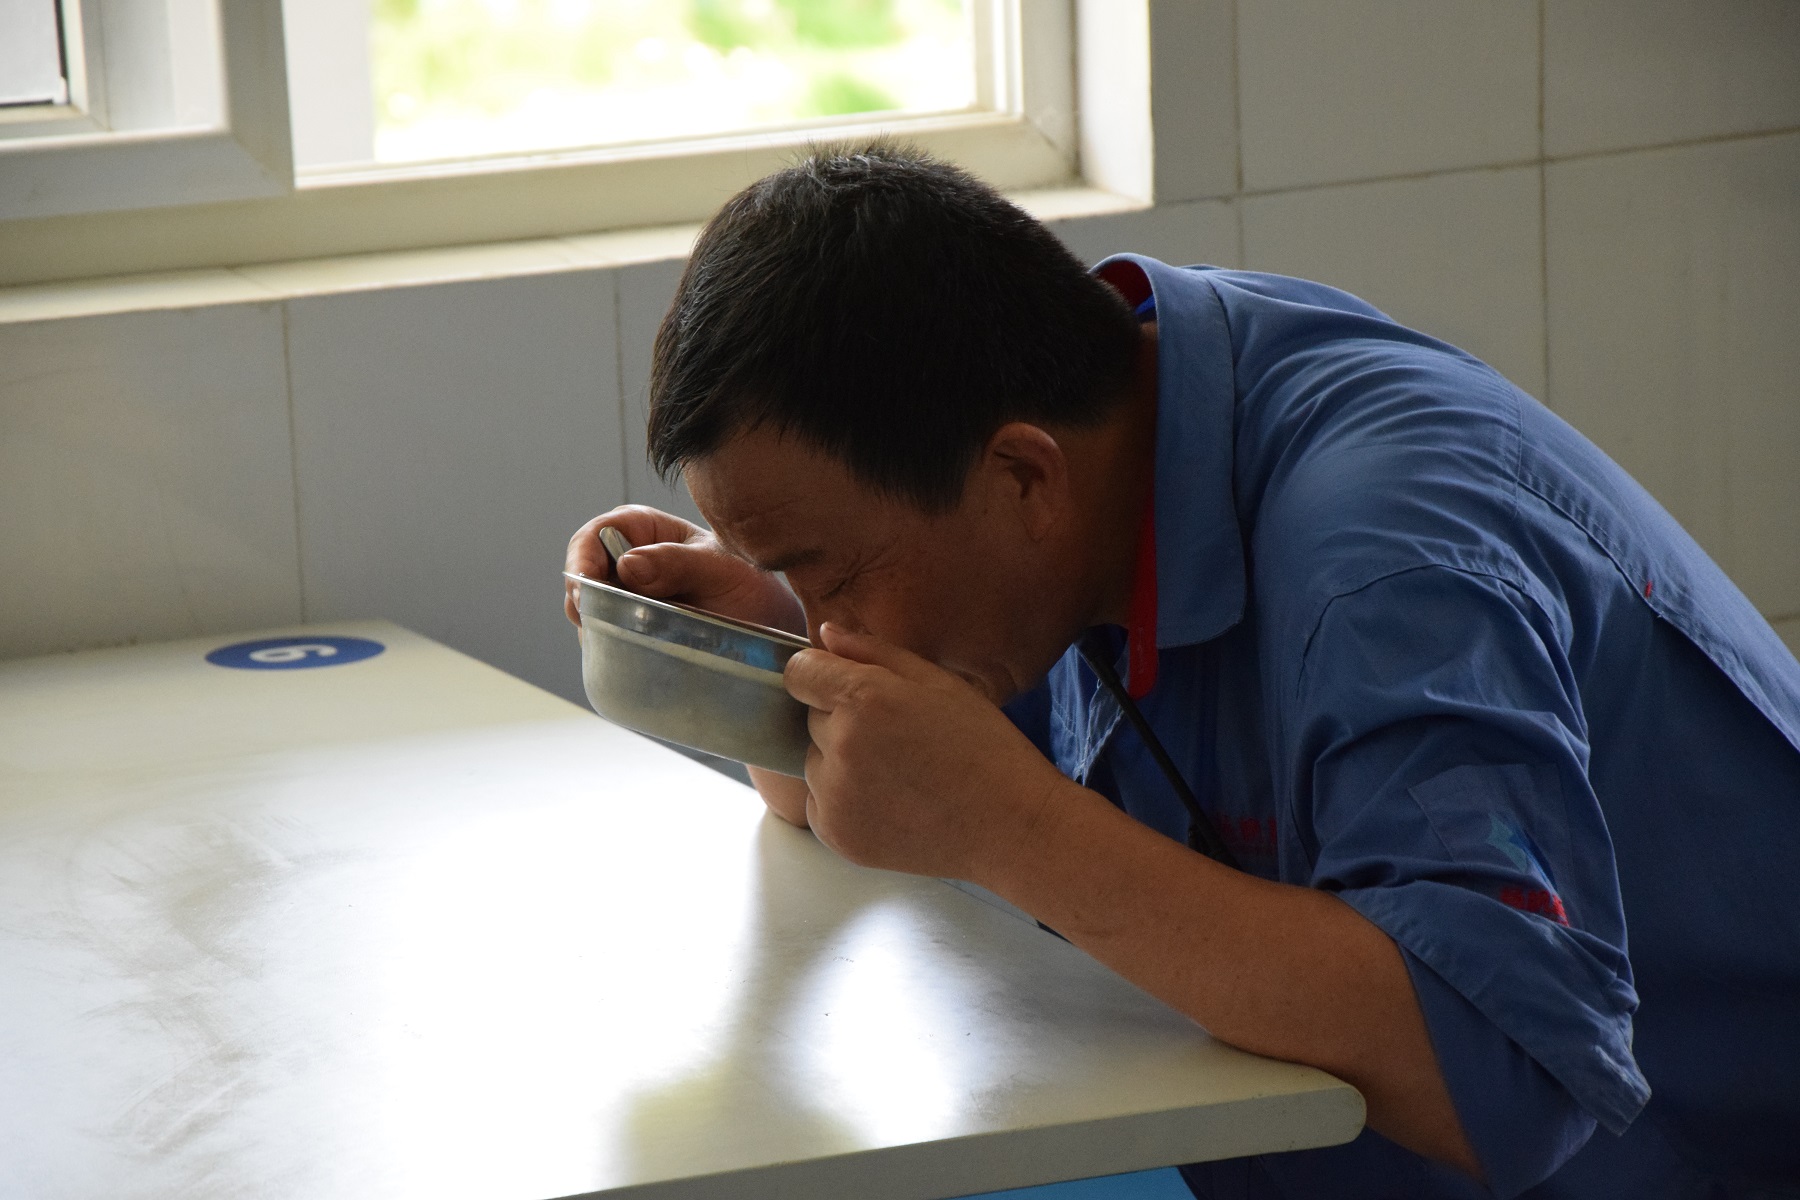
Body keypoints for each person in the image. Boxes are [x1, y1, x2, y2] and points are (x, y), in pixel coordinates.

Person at [562, 142, 1800, 1199]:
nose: (829, 628)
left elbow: (1508, 1074)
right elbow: (923, 796)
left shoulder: (1387, 570)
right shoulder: (1105, 434)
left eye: (824, 573)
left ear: (1022, 477)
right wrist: (758, 655)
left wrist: (1010, 827)